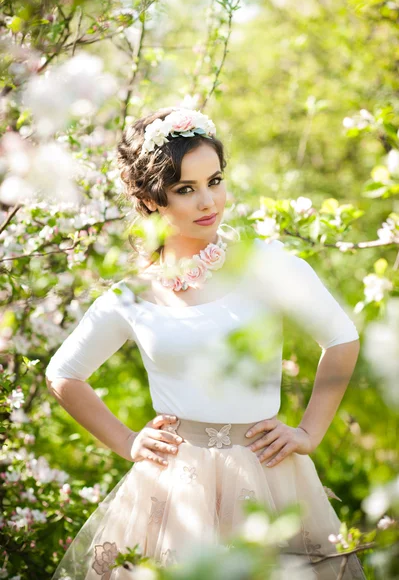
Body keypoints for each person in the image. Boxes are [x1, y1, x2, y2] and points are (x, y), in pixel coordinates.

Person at [46, 107, 367, 579]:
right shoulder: (132, 296)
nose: (208, 202)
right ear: (152, 199)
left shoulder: (267, 266)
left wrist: (308, 432)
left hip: (269, 475)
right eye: (185, 189)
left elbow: (341, 338)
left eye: (214, 181)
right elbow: (63, 374)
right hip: (174, 492)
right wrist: (129, 441)